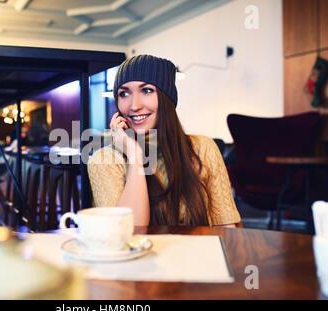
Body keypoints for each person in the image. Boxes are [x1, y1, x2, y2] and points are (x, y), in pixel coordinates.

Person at [87, 55, 241, 227]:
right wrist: (135, 157)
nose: (134, 105)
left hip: (200, 252)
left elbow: (227, 227)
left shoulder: (203, 148)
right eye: (124, 93)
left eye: (146, 90)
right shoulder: (104, 160)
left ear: (167, 97)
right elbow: (126, 234)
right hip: (140, 254)